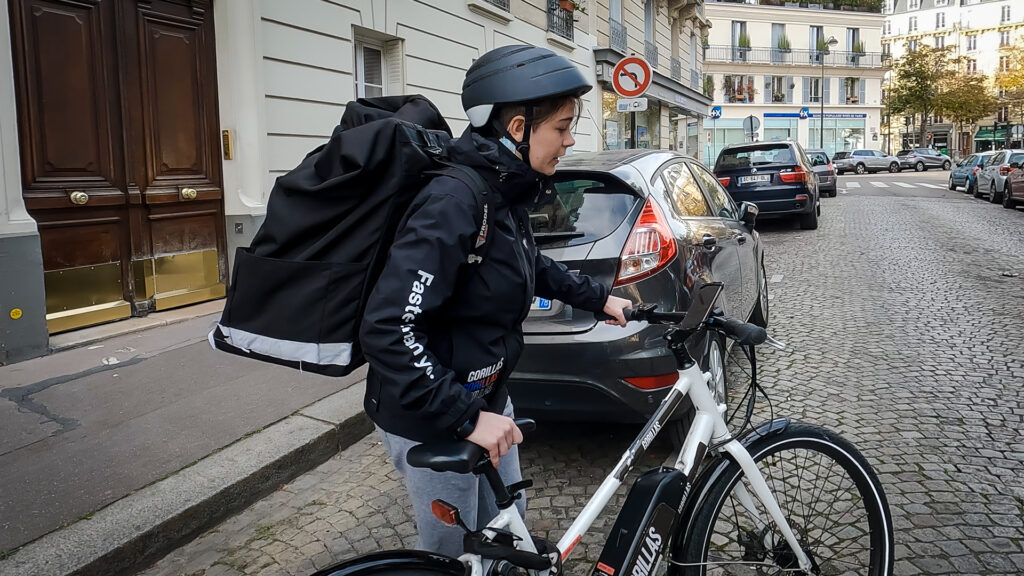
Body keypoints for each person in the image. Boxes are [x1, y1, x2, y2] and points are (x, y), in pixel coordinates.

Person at [359, 45, 632, 559]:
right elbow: (388, 328)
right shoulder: (453, 202)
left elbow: (528, 264)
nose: (570, 141)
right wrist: (463, 418)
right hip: (432, 414)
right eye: (562, 127)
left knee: (507, 530)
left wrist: (599, 298)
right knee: (453, 553)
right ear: (517, 129)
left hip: (486, 397)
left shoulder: (502, 189)